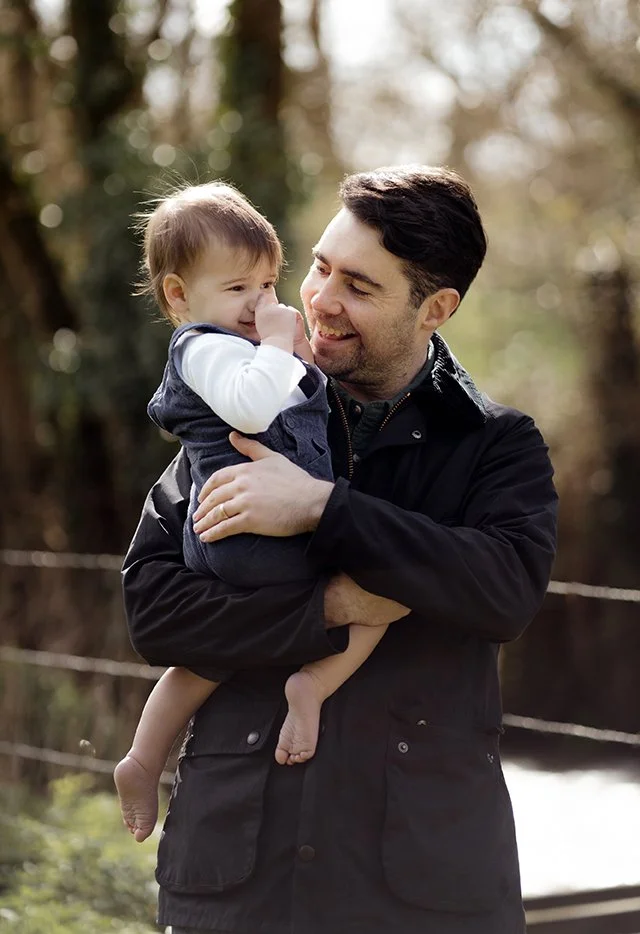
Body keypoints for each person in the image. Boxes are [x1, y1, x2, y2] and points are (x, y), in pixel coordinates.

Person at [122, 165, 558, 934]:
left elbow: (504, 590)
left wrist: (321, 508)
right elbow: (157, 614)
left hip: (421, 893)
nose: (318, 299)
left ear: (437, 308)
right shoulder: (236, 413)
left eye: (359, 285)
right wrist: (328, 606)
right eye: (320, 267)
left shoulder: (497, 445)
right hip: (238, 883)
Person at [114, 182, 389, 844]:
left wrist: (292, 359)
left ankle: (144, 756)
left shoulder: (245, 348)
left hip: (246, 530)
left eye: (269, 286)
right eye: (239, 289)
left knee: (211, 657)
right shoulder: (201, 349)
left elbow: (295, 401)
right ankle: (312, 689)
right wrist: (275, 349)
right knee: (385, 590)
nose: (262, 304)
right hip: (243, 530)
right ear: (179, 296)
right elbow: (249, 409)